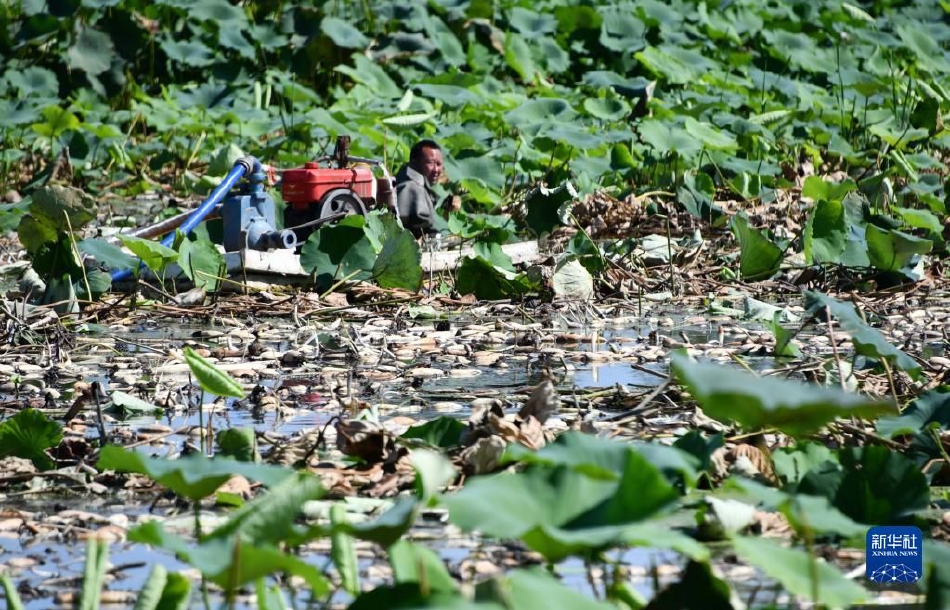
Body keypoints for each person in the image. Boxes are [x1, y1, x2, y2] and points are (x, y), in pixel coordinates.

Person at [395, 140, 444, 237]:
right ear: (414, 163)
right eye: (430, 163)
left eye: (439, 164)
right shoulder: (412, 188)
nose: (436, 169)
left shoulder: (402, 178)